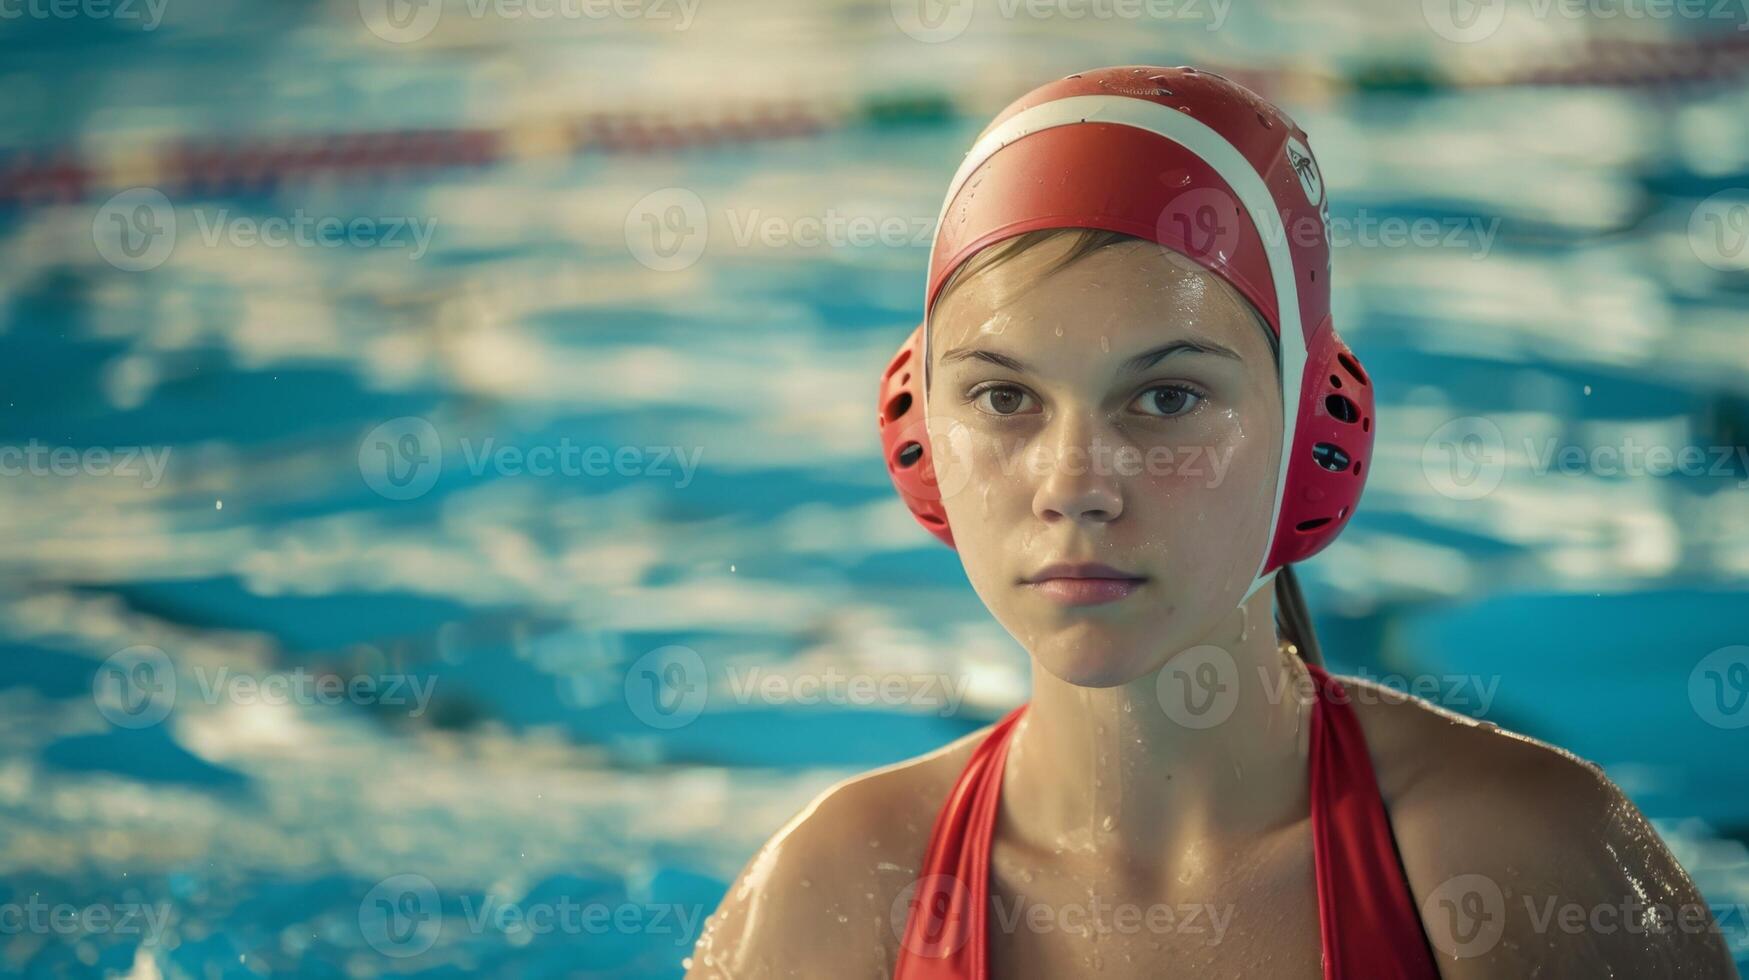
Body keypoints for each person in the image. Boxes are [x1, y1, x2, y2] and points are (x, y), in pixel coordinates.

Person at [684, 66, 1739, 979]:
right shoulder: (834, 895)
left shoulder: (1520, 859)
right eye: (1005, 398)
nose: (1074, 484)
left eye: (1168, 397)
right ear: (916, 428)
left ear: (1318, 427)